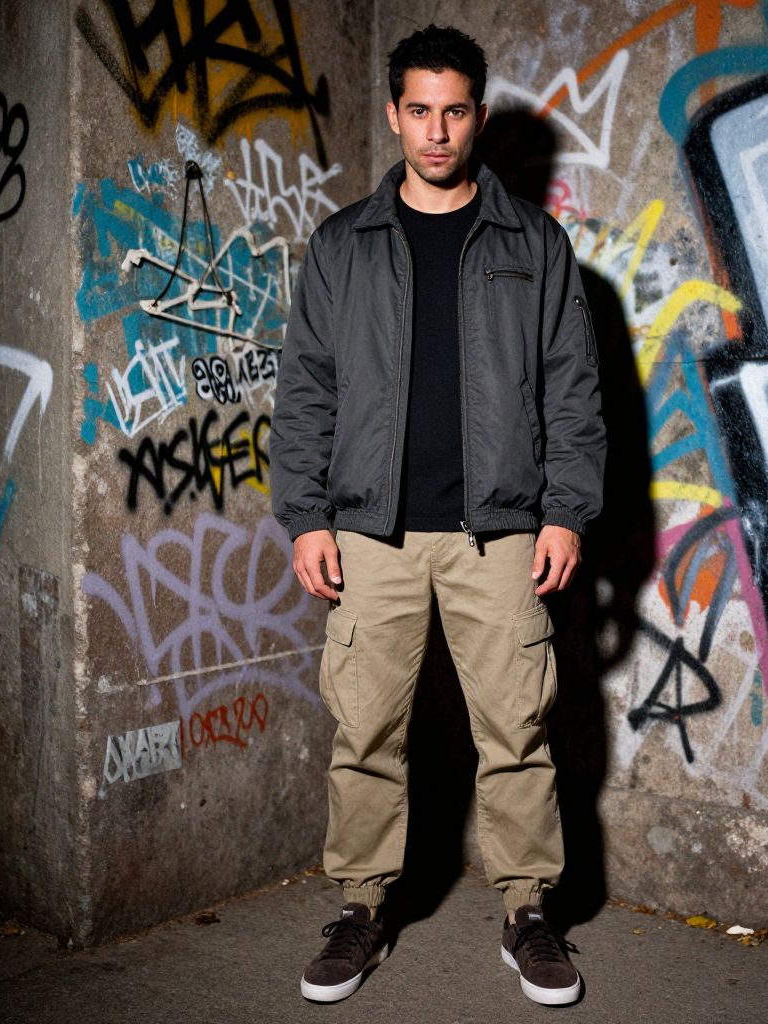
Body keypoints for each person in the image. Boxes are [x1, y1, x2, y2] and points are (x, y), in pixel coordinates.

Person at [269, 23, 605, 1007]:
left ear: (477, 116)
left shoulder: (532, 242)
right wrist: (306, 516)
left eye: (454, 110)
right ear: (394, 114)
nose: (436, 130)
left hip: (498, 533)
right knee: (365, 731)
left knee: (517, 732)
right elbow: (306, 391)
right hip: (369, 532)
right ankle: (361, 909)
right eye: (419, 110)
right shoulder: (343, 244)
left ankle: (528, 913)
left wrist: (565, 511)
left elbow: (573, 388)